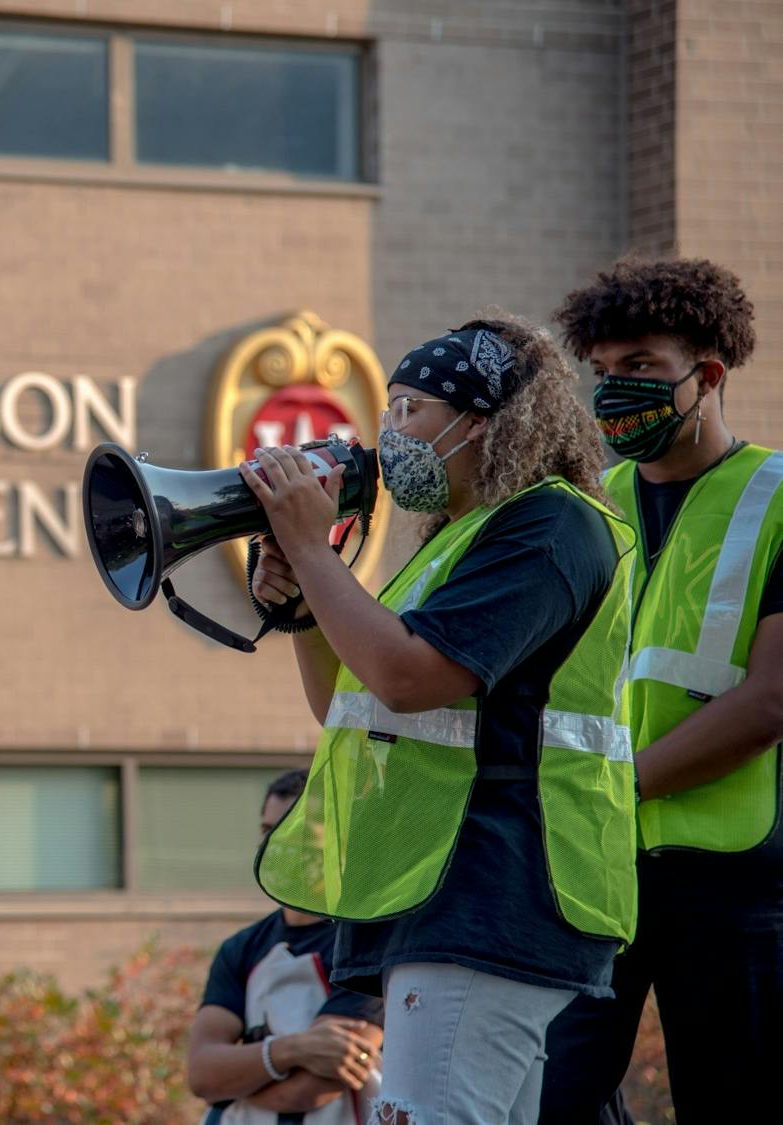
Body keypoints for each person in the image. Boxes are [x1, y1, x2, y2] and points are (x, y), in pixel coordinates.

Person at [242, 314, 639, 1125]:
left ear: (484, 421)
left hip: (497, 887)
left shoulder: (551, 525)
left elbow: (405, 676)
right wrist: (302, 602)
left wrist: (317, 555)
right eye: (387, 410)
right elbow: (346, 703)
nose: (389, 433)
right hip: (444, 888)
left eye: (411, 409)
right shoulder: (453, 543)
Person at [538, 258, 783, 1123]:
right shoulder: (582, 509)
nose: (613, 391)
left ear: (707, 374)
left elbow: (770, 700)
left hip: (734, 878)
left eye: (639, 366)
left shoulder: (779, 496)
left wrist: (616, 786)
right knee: (546, 1098)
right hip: (591, 871)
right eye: (602, 371)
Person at [186, 769, 385, 1124]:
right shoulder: (241, 948)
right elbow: (202, 1074)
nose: (274, 845)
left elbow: (314, 1087)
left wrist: (232, 1093)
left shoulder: (371, 939)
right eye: (266, 831)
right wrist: (294, 1048)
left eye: (294, 832)